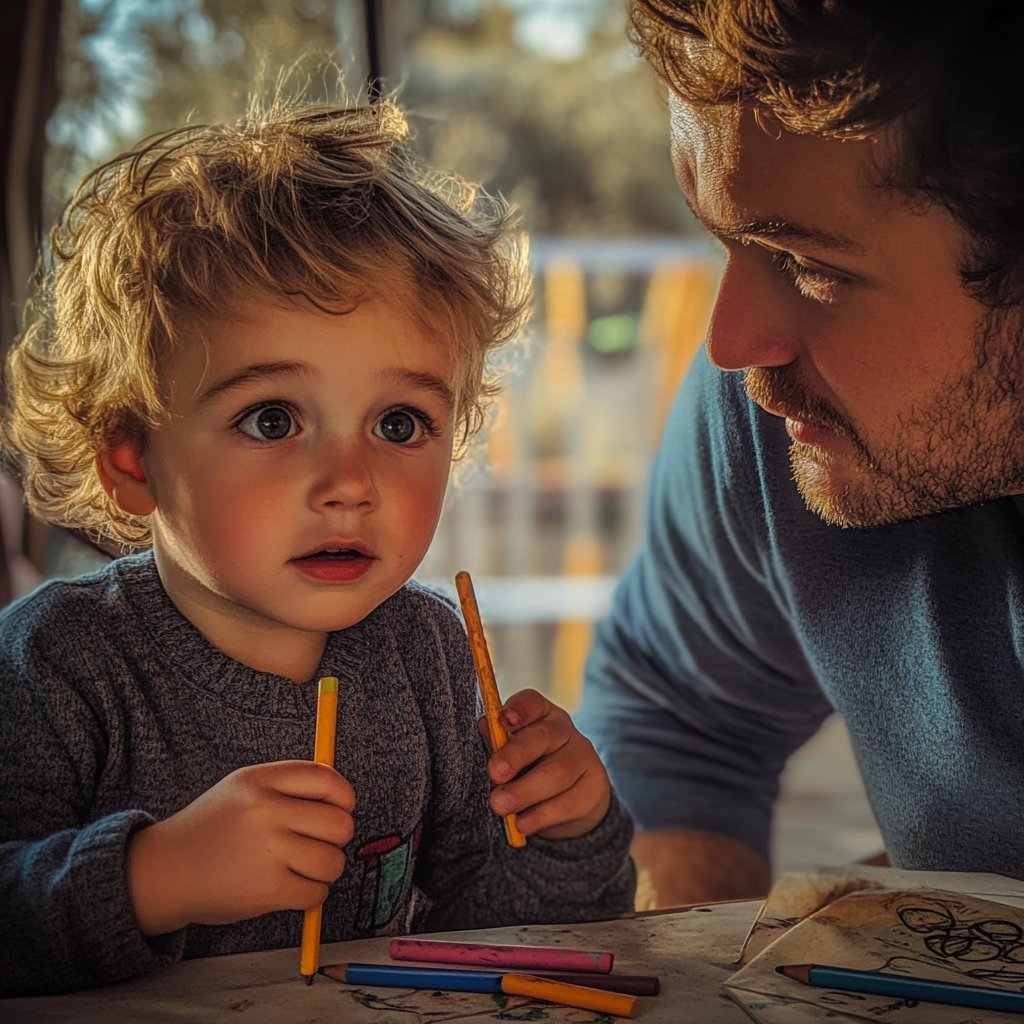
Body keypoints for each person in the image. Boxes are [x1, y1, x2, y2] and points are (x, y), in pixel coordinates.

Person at [0, 96, 635, 998]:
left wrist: (568, 833)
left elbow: (485, 939)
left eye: (399, 423)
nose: (350, 482)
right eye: (272, 419)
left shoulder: (426, 653)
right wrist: (153, 877)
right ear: (131, 458)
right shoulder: (56, 663)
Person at [577, 0, 1024, 910]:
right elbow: (681, 722)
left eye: (810, 267)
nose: (731, 347)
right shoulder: (791, 414)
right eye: (726, 241)